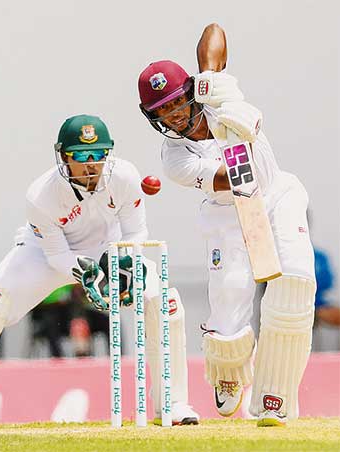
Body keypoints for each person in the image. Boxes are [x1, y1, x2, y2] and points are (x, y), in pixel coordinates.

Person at [0, 114, 198, 427]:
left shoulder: (124, 177)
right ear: (64, 157)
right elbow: (56, 255)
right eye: (81, 156)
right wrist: (88, 274)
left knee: (162, 300)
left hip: (109, 249)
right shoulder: (42, 195)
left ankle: (173, 402)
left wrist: (125, 262)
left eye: (98, 155)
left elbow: (136, 233)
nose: (90, 164)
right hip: (43, 254)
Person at [137, 23, 316, 427]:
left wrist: (211, 79)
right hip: (228, 213)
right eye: (161, 110)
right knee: (232, 302)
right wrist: (235, 131)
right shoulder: (175, 158)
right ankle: (229, 374)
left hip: (279, 195)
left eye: (175, 102)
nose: (172, 114)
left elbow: (214, 32)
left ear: (188, 93)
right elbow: (229, 180)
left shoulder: (216, 93)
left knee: (295, 285)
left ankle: (275, 397)